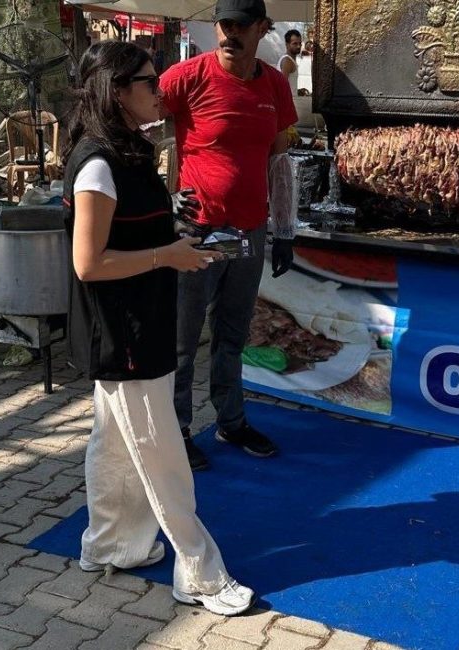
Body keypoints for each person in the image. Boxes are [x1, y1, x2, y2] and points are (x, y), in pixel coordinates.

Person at [63, 40, 253, 616]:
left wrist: (177, 238)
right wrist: (166, 257)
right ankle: (198, 572)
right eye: (150, 81)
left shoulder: (131, 151)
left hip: (141, 316)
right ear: (117, 91)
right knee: (161, 450)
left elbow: (135, 234)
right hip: (122, 329)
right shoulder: (97, 163)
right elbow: (88, 263)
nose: (161, 89)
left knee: (117, 442)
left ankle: (108, 545)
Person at [160, 0, 299, 471]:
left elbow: (279, 161)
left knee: (233, 334)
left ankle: (231, 420)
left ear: (262, 28)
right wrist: (162, 192)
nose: (230, 34)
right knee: (181, 338)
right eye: (224, 25)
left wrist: (283, 229)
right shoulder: (187, 76)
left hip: (249, 230)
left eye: (241, 26)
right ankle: (175, 429)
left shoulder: (275, 84)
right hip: (197, 230)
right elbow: (129, 121)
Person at [278, 29, 301, 96]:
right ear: (287, 44)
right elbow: (282, 87)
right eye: (295, 43)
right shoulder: (287, 61)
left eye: (300, 43)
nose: (298, 46)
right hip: (288, 102)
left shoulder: (289, 60)